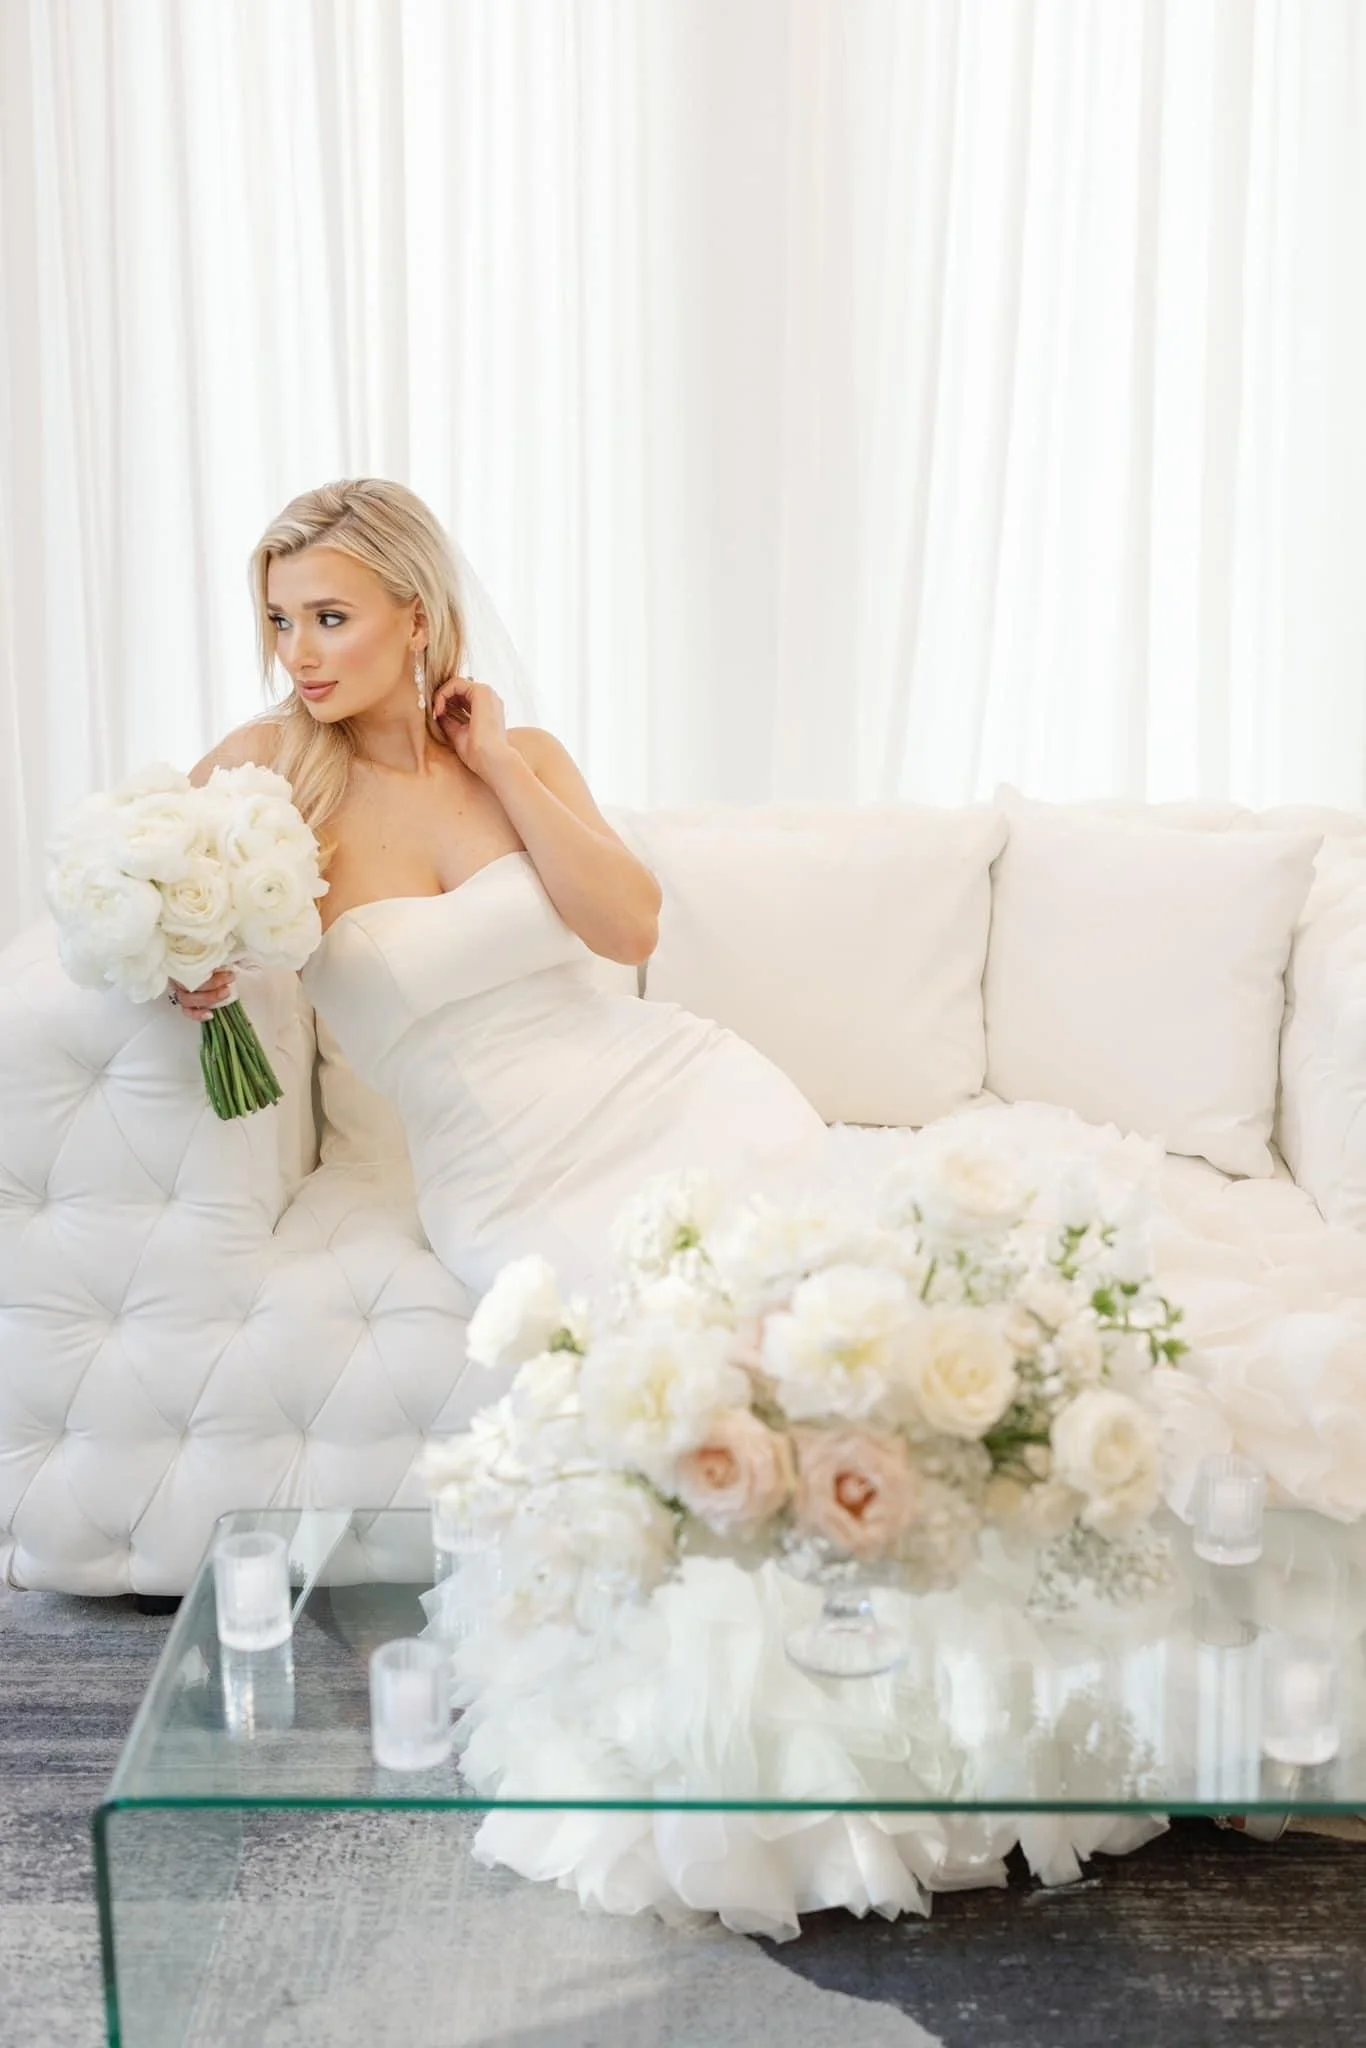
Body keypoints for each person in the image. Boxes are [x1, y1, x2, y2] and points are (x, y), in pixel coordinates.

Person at [184, 477, 828, 1299]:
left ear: (417, 620)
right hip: (509, 1176)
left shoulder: (521, 757)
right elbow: (146, 875)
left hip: (680, 1093)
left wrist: (499, 765)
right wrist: (180, 967)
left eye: (329, 618)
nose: (298, 653)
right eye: (281, 620)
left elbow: (630, 931)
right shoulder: (272, 772)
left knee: (825, 1311)